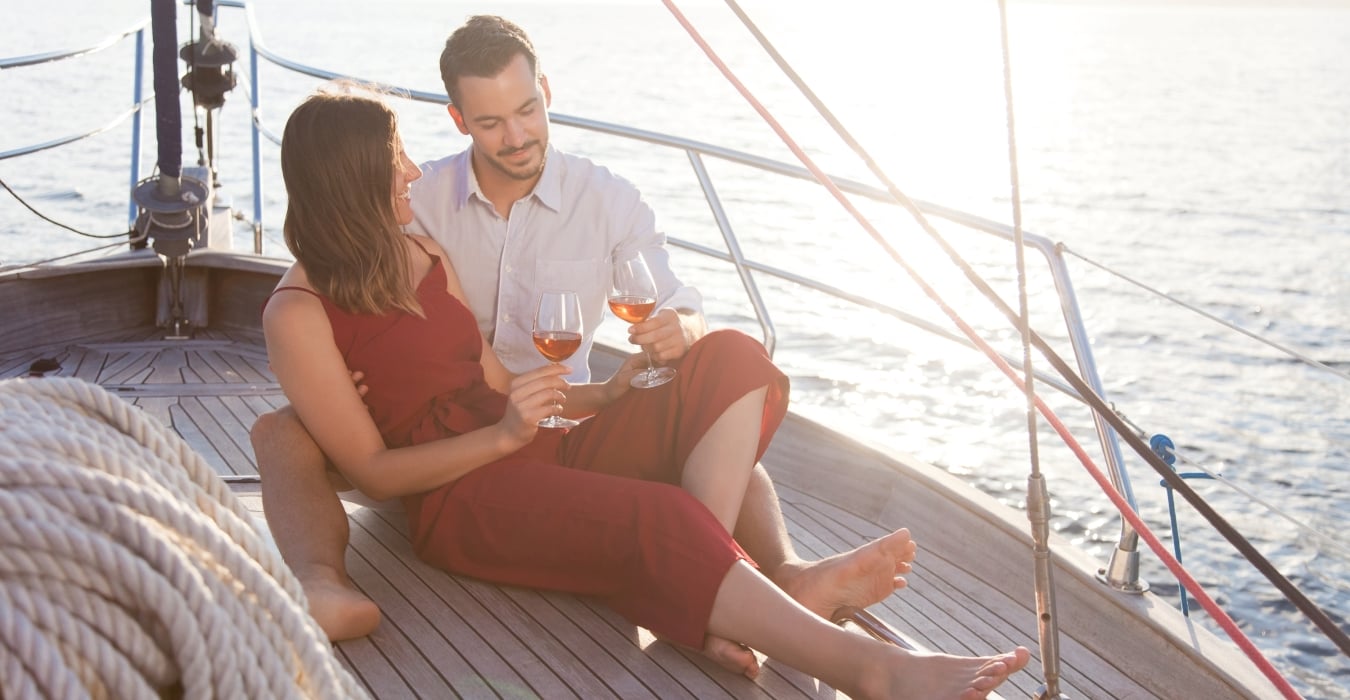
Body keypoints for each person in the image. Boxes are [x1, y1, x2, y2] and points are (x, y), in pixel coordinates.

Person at [263, 85, 1029, 700]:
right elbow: (370, 471)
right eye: (394, 160)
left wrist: (613, 392)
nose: (412, 173)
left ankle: (710, 595)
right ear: (348, 180)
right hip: (459, 499)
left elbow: (502, 388)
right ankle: (871, 670)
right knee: (659, 514)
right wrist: (501, 438)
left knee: (730, 358)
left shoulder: (423, 250)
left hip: (527, 443)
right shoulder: (296, 313)